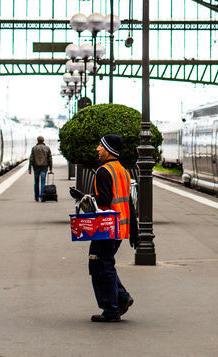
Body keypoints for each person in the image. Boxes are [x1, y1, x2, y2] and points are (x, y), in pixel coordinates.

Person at [87, 133, 133, 323]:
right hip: (120, 227)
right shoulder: (122, 170)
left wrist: (85, 197)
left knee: (101, 266)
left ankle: (111, 309)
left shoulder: (104, 171)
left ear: (108, 150)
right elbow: (128, 201)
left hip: (106, 228)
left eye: (100, 146)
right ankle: (121, 297)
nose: (97, 149)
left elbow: (104, 200)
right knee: (105, 264)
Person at [29, 135, 53, 201]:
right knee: (43, 182)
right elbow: (50, 159)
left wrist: (29, 168)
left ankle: (36, 197)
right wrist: (51, 169)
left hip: (36, 167)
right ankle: (42, 196)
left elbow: (31, 159)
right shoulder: (47, 148)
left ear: (37, 140)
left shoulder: (34, 148)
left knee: (36, 183)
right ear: (43, 140)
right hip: (44, 167)